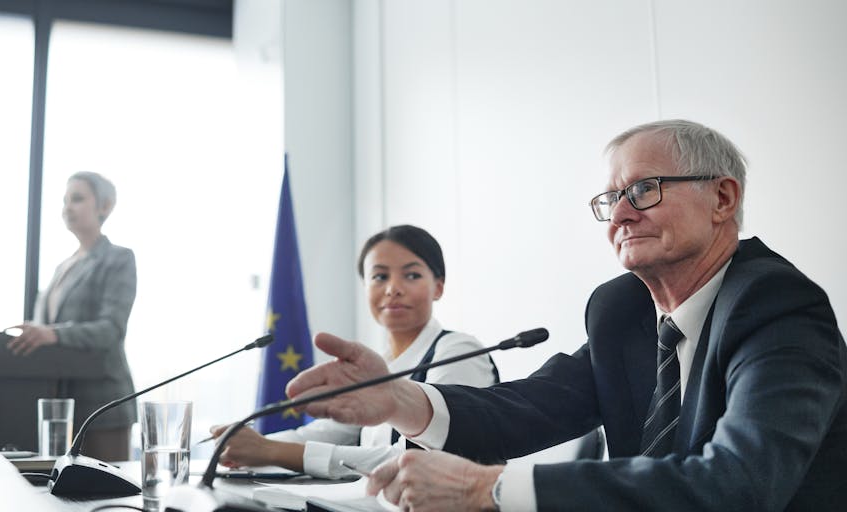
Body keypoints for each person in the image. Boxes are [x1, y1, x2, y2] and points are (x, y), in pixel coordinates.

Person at [286, 120, 847, 511]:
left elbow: (739, 485)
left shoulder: (777, 307)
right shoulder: (622, 310)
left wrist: (491, 490)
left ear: (723, 199)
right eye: (610, 199)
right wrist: (398, 399)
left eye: (644, 189)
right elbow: (526, 408)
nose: (620, 215)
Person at [211, 225, 499, 478]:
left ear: (438, 287)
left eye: (411, 275)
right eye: (379, 277)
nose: (392, 289)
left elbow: (417, 463)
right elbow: (325, 433)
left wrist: (270, 451)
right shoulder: (379, 364)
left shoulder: (460, 350)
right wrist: (245, 441)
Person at [7, 171, 138, 462]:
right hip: (58, 406)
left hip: (103, 404)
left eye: (77, 199)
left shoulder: (119, 258)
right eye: (65, 200)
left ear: (105, 206)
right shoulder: (62, 268)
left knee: (106, 496)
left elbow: (110, 329)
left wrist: (51, 333)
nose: (67, 207)